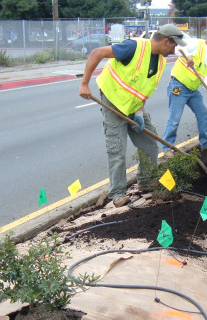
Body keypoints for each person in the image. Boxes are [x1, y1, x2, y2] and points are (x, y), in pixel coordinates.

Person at [79, 24, 186, 207]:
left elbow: (144, 90)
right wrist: (84, 84)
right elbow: (97, 53)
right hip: (112, 101)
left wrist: (139, 113)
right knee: (117, 149)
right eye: (174, 45)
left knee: (150, 144)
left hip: (133, 107)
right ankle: (117, 193)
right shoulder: (134, 47)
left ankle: (146, 181)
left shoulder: (160, 61)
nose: (175, 49)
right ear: (166, 41)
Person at [161, 30, 207, 159]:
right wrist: (187, 55)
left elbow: (205, 76)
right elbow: (177, 47)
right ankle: (167, 148)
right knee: (174, 119)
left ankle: (206, 142)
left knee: (203, 113)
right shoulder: (196, 44)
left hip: (193, 90)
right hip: (179, 86)